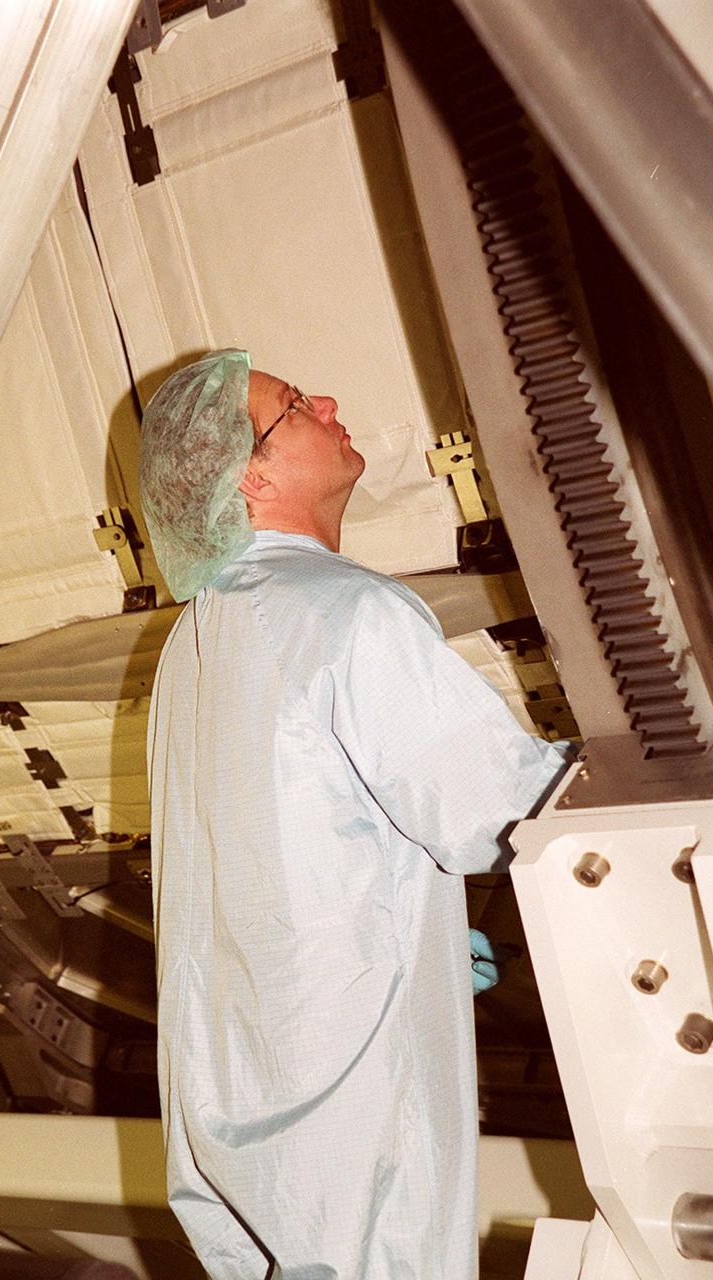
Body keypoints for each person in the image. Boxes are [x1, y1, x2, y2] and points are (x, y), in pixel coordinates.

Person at [140, 349, 567, 1280]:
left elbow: (274, 844)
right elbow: (507, 809)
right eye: (295, 404)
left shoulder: (194, 641)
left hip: (242, 1111)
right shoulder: (344, 611)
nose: (327, 400)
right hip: (348, 1114)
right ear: (249, 477)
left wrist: (417, 927)